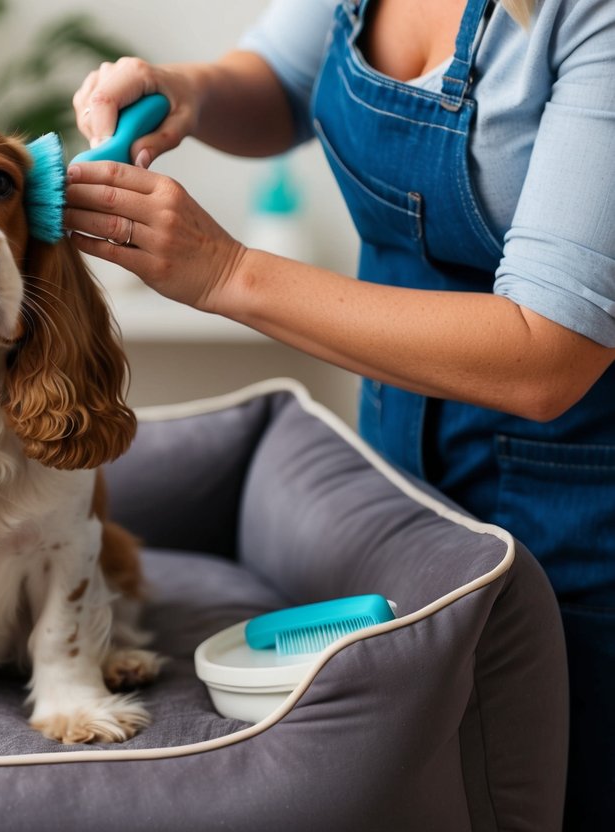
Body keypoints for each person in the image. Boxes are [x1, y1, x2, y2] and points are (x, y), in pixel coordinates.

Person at [63, 0, 615, 826]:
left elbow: (547, 355)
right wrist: (193, 90)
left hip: (579, 510)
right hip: (400, 473)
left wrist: (226, 275)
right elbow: (282, 86)